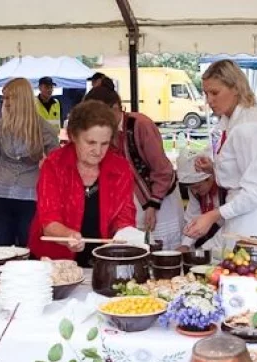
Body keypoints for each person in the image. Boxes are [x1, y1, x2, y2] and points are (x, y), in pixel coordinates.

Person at [183, 60, 257, 258]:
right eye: (206, 94)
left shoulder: (249, 128)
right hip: (246, 213)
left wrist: (213, 215)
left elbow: (255, 192)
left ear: (235, 89)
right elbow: (246, 171)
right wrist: (215, 169)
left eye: (215, 93)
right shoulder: (234, 122)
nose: (209, 100)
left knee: (254, 277)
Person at [28, 100, 136, 264]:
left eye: (105, 143)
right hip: (54, 260)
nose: (98, 151)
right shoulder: (54, 165)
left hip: (101, 258)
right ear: (73, 136)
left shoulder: (121, 168)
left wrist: (125, 234)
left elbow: (125, 216)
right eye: (91, 142)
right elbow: (49, 220)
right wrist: (67, 235)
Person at [84, 85, 183, 249]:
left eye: (100, 116)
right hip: (132, 200)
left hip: (162, 198)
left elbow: (163, 169)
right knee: (137, 247)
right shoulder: (106, 133)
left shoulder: (140, 124)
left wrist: (153, 203)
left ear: (115, 108)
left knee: (162, 249)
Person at [0, 78, 59, 247]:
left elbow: (58, 168)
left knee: (29, 250)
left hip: (31, 200)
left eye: (10, 98)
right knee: (1, 252)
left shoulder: (45, 129)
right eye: (4, 98)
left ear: (23, 99)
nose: (6, 102)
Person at [176, 148, 224, 251]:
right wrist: (185, 245)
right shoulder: (195, 191)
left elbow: (228, 227)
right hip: (211, 237)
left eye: (197, 187)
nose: (195, 192)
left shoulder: (225, 190)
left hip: (227, 236)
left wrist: (204, 249)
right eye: (191, 188)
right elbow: (191, 219)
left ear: (210, 177)